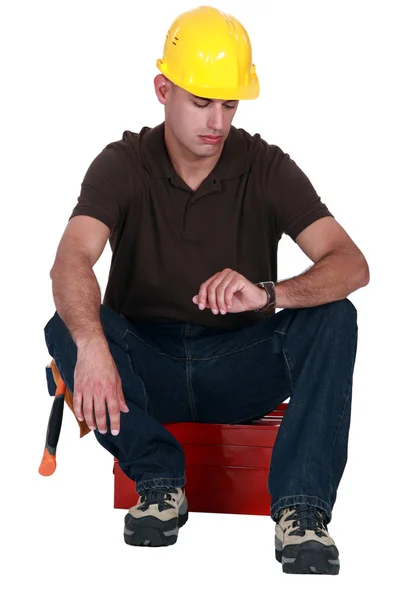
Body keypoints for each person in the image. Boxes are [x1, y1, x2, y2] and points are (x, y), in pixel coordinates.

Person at [44, 5, 369, 574]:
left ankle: (302, 512)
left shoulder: (266, 166)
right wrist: (92, 345)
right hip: (149, 368)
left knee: (335, 315)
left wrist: (269, 294)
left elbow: (351, 264)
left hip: (238, 365)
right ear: (162, 89)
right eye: (201, 102)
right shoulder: (121, 165)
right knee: (68, 325)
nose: (217, 121)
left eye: (229, 103)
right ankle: (160, 484)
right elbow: (71, 259)